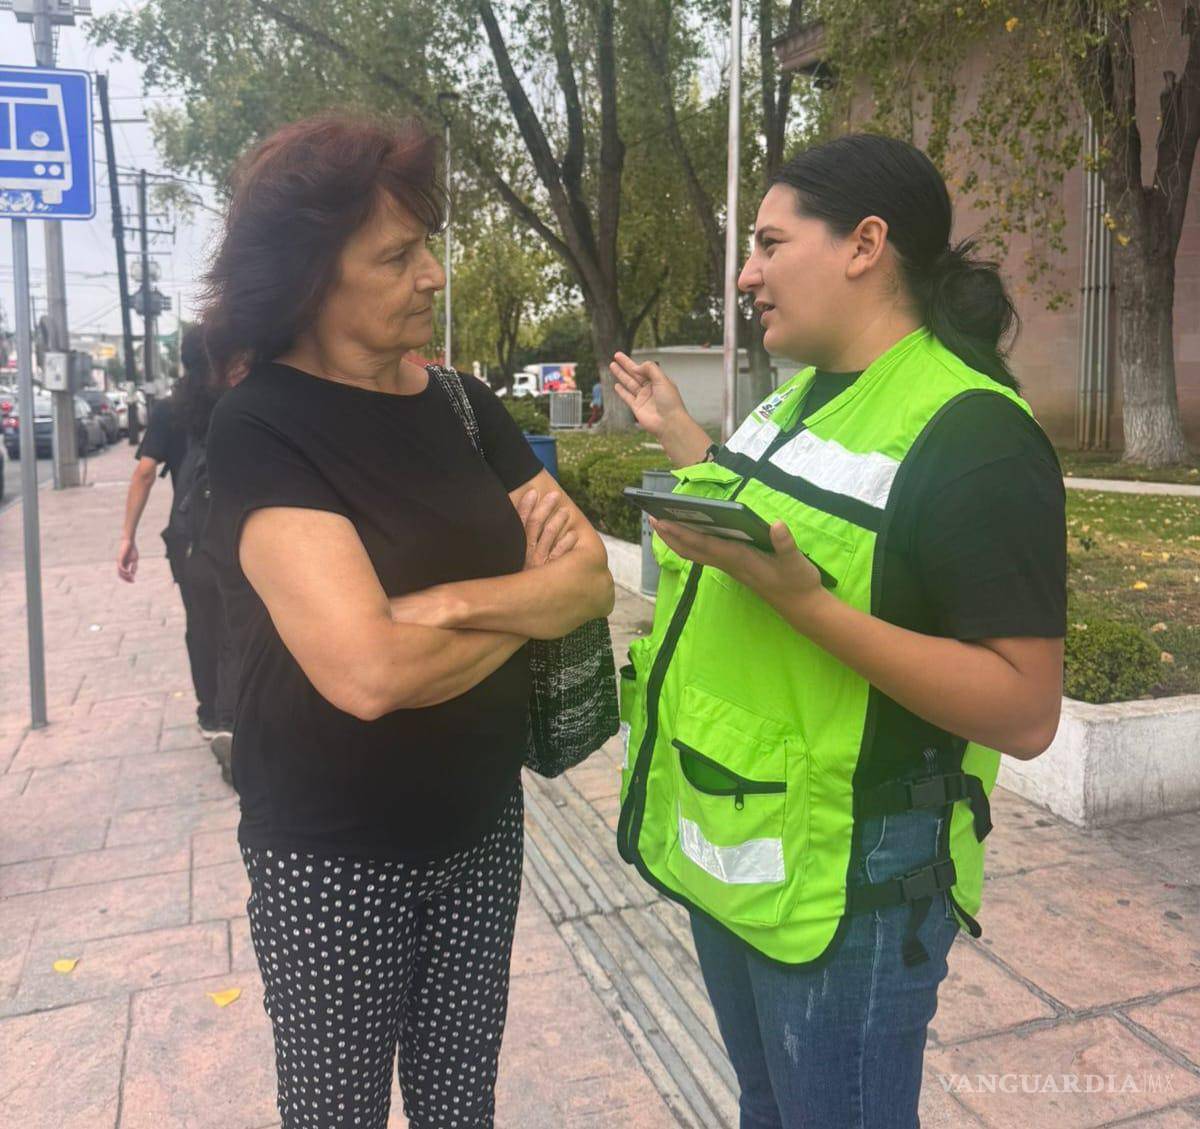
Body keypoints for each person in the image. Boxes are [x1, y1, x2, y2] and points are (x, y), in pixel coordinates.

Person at [609, 133, 1066, 1129]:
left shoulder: (976, 436)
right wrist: (682, 440)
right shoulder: (798, 398)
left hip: (854, 883)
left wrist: (805, 603)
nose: (746, 273)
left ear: (864, 244)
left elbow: (1026, 708)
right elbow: (766, 520)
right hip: (749, 848)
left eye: (771, 242)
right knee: (768, 1108)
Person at [201, 113, 613, 1129]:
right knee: (336, 1110)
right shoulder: (262, 425)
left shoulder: (466, 405)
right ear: (310, 278)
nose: (433, 274)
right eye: (398, 253)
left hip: (481, 823)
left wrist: (463, 602)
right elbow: (369, 673)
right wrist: (535, 596)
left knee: (458, 1104)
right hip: (330, 851)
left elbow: (593, 580)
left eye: (427, 244)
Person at [117, 328, 234, 747]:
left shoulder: (169, 410)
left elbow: (145, 472)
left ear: (182, 360)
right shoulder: (237, 401)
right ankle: (234, 712)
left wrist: (127, 536)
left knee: (200, 624)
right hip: (238, 535)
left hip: (188, 538)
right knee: (235, 622)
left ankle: (211, 714)